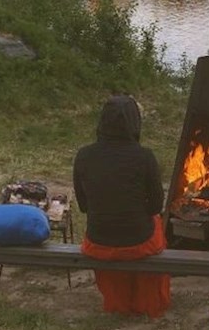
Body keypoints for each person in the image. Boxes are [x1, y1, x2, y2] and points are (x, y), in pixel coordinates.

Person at [73, 94, 170, 318]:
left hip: (98, 241)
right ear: (135, 122)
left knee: (117, 233)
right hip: (138, 243)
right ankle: (147, 302)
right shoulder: (144, 157)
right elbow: (156, 206)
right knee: (155, 226)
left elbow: (84, 206)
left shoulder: (84, 155)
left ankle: (118, 302)